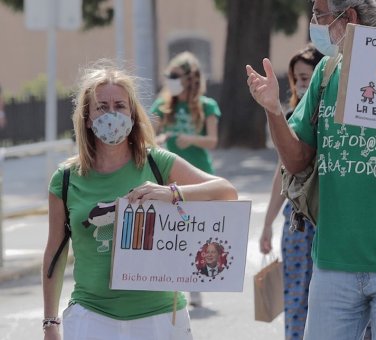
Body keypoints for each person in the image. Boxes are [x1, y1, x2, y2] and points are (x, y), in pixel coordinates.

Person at [246, 0, 376, 338]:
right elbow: (297, 162)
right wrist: (272, 110)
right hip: (332, 264)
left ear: (349, 18)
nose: (314, 24)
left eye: (319, 15)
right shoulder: (325, 76)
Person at [42, 60, 238, 340]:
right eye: (102, 107)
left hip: (160, 317)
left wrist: (171, 193)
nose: (112, 114)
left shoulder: (157, 162)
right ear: (87, 117)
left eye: (120, 106)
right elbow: (55, 253)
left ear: (133, 114)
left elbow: (226, 191)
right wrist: (50, 323)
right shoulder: (64, 179)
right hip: (92, 317)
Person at [260, 44, 323, 340]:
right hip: (298, 220)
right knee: (297, 296)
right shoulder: (289, 116)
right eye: (296, 78)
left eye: (306, 77)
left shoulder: (332, 116)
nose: (300, 84)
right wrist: (267, 224)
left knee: (332, 297)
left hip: (327, 218)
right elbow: (282, 173)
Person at [151, 51, 221, 307]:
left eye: (175, 76)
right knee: (170, 232)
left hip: (198, 177)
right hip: (167, 179)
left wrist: (191, 139)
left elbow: (213, 141)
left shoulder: (207, 105)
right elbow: (149, 139)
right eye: (168, 76)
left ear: (190, 79)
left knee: (194, 232)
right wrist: (162, 140)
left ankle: (195, 284)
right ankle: (171, 285)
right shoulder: (161, 106)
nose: (170, 80)